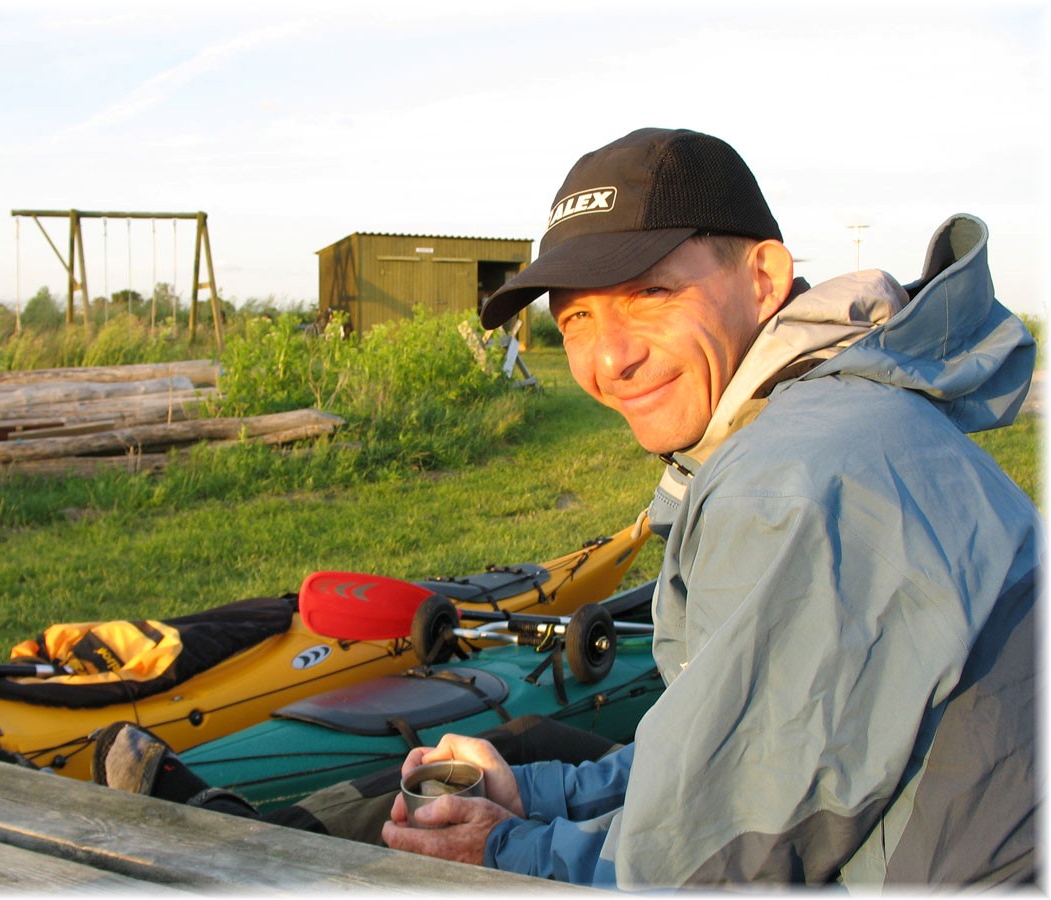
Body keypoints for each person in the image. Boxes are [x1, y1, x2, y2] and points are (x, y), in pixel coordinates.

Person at [377, 128, 1039, 887]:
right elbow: (729, 756)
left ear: (763, 277)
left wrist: (499, 851)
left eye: (649, 294)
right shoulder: (832, 418)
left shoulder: (796, 481)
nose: (609, 359)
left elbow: (713, 864)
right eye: (577, 319)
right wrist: (534, 793)